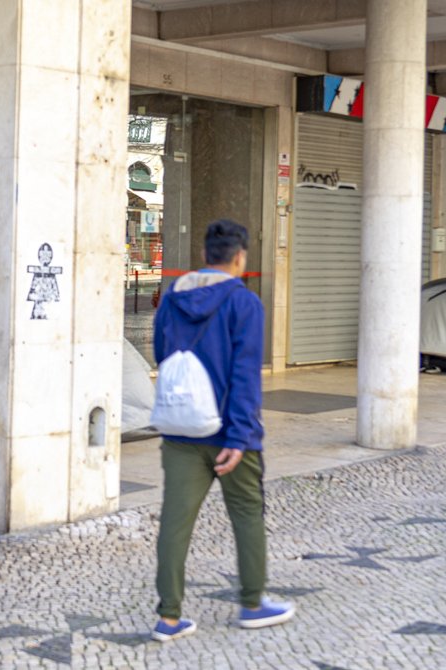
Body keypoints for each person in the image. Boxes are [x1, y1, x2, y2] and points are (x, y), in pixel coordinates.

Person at [150, 219, 293, 642]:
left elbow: (163, 355)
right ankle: (252, 604)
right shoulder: (244, 303)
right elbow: (246, 375)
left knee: (175, 524)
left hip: (180, 430)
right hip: (231, 434)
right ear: (240, 257)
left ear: (206, 254)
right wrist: (239, 437)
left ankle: (169, 618)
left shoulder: (172, 302)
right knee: (247, 515)